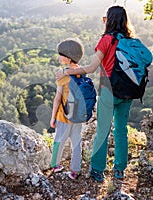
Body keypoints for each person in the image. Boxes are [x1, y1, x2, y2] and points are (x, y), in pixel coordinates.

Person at [56, 5, 134, 182]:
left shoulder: (106, 40)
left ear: (109, 20)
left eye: (105, 18)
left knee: (103, 130)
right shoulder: (130, 41)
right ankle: (119, 170)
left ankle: (98, 170)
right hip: (127, 92)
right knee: (121, 130)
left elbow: (90, 68)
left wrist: (67, 72)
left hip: (109, 92)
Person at [50, 38, 84, 180]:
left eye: (61, 54)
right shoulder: (82, 71)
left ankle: (55, 165)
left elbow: (58, 98)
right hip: (78, 115)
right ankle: (75, 170)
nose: (58, 57)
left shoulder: (62, 73)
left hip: (64, 115)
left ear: (68, 58)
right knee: (76, 142)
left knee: (59, 140)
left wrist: (53, 117)